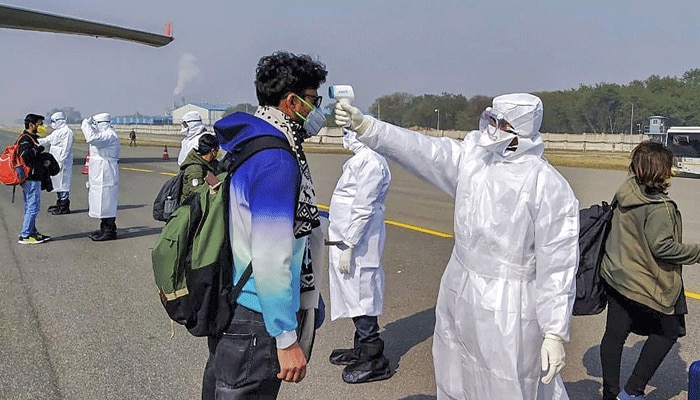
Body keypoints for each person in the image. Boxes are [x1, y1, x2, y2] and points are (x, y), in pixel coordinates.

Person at [335, 93, 579, 400]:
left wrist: (555, 331)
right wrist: (369, 127)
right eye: (491, 119)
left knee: (506, 381)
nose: (493, 129)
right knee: (456, 371)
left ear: (521, 129)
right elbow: (424, 151)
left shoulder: (547, 185)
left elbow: (558, 264)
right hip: (460, 290)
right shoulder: (475, 160)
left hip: (508, 305)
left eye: (502, 123)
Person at [202, 50, 328, 400]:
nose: (318, 111)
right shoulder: (277, 160)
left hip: (234, 302)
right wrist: (286, 337)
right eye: (313, 101)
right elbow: (271, 256)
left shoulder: (249, 144)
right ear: (291, 101)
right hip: (257, 318)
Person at [599, 141, 700, 400]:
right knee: (669, 331)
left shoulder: (626, 193)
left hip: (617, 276)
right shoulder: (660, 207)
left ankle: (609, 394)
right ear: (660, 171)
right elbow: (664, 248)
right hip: (645, 283)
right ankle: (632, 391)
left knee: (614, 335)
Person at [327, 128, 393, 384]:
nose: (346, 136)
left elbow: (363, 207)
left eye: (349, 131)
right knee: (353, 293)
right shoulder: (361, 159)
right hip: (348, 240)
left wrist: (350, 245)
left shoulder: (371, 162)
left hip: (358, 244)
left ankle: (374, 359)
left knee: (362, 294)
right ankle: (361, 349)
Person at [81, 113, 120, 241]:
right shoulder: (104, 134)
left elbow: (92, 138)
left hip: (106, 171)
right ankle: (104, 227)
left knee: (107, 201)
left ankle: (109, 230)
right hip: (100, 170)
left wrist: (85, 125)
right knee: (100, 201)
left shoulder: (109, 135)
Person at [17, 113, 52, 244]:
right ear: (31, 125)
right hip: (31, 178)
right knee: (33, 207)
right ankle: (25, 235)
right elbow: (26, 156)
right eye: (40, 124)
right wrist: (39, 149)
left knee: (30, 206)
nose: (42, 126)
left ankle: (32, 232)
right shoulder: (26, 139)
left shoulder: (31, 138)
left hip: (32, 177)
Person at [38, 111, 75, 215]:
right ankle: (59, 203)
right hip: (55, 160)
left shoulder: (67, 132)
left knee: (63, 183)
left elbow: (66, 149)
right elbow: (48, 140)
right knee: (57, 183)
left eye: (54, 121)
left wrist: (61, 161)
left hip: (62, 161)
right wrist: (35, 141)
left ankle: (64, 206)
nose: (53, 123)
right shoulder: (57, 132)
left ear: (61, 120)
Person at [179, 133, 219, 203]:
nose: (218, 152)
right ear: (213, 151)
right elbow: (197, 193)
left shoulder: (208, 163)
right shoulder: (195, 169)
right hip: (191, 207)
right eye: (217, 149)